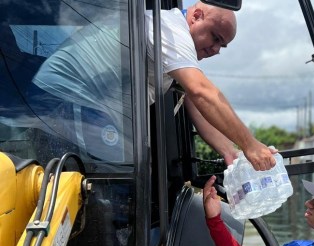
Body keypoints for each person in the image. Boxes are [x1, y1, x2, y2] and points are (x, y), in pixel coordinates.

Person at [31, 1, 274, 170]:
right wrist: (251, 145)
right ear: (196, 16)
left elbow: (196, 104)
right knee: (116, 181)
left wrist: (231, 151)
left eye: (222, 46)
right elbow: (202, 92)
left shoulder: (175, 50)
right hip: (63, 102)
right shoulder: (170, 29)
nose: (215, 50)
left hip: (73, 104)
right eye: (215, 37)